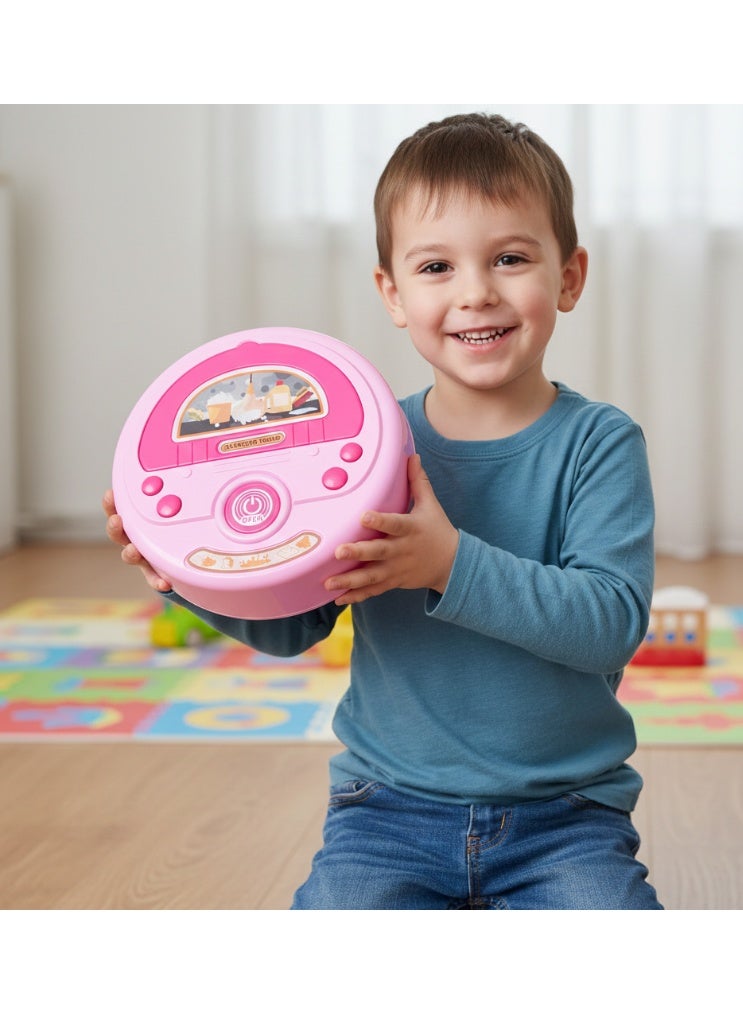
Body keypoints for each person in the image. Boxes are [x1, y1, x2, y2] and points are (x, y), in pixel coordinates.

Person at [103, 112, 662, 910]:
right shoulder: (362, 448)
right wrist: (187, 573)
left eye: (509, 258)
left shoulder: (598, 443)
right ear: (392, 294)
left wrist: (447, 563)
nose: (475, 291)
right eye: (436, 266)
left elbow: (608, 623)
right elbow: (296, 626)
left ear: (568, 277)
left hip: (564, 815)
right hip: (388, 811)